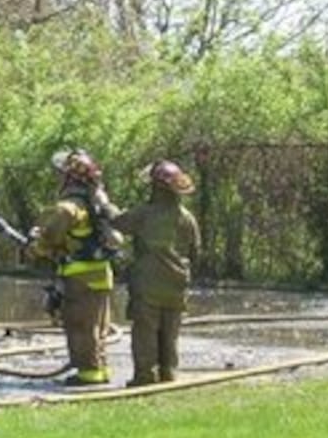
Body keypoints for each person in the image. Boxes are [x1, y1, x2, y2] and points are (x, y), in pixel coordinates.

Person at [27, 148, 122, 387]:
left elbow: (50, 239)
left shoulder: (68, 208)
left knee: (80, 327)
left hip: (79, 278)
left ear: (69, 178)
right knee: (97, 328)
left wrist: (35, 244)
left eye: (61, 174)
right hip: (102, 274)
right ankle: (99, 370)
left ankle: (88, 376)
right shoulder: (97, 202)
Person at [113, 160, 202, 387]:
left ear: (155, 187)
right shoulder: (187, 217)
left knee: (145, 333)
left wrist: (103, 204)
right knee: (170, 334)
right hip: (177, 285)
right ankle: (168, 373)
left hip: (148, 283)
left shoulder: (144, 213)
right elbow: (195, 251)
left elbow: (118, 223)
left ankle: (144, 376)